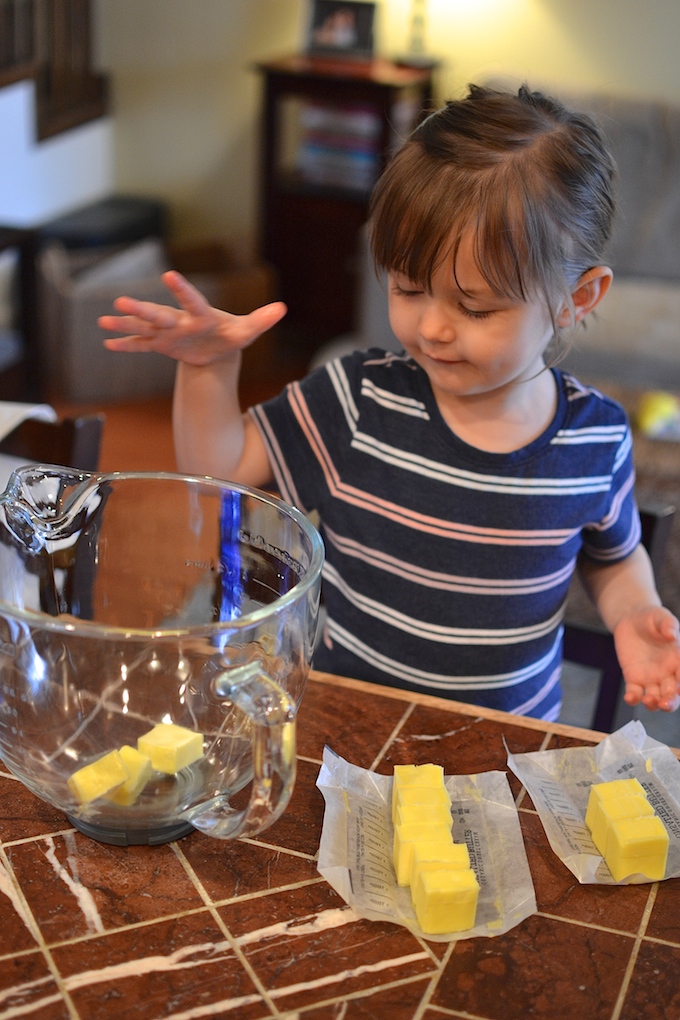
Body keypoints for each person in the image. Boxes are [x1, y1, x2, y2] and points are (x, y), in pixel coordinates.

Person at [99, 83, 680, 722]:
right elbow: (222, 471)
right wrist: (209, 369)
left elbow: (615, 558)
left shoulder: (596, 440)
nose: (432, 327)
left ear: (578, 298)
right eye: (408, 289)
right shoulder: (356, 397)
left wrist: (636, 612)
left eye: (475, 306)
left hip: (504, 731)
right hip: (350, 713)